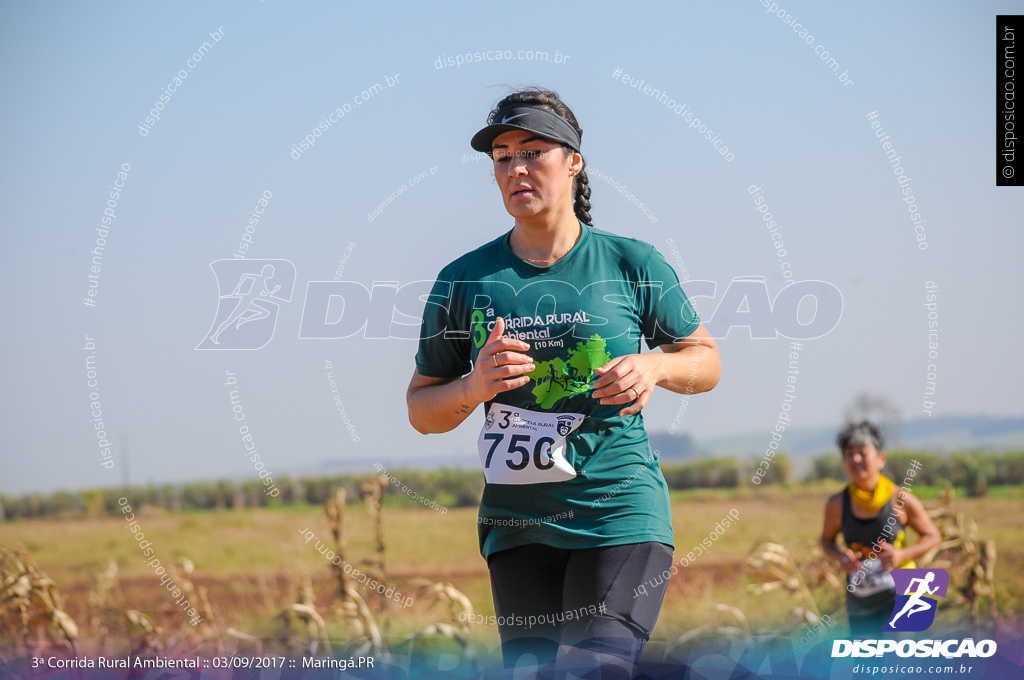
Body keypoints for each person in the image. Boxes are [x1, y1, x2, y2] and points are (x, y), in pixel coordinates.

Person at [406, 88, 721, 677]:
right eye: (502, 156)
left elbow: (706, 359)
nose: (515, 168)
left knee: (592, 667)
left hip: (618, 512)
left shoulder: (631, 262)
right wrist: (473, 387)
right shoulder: (464, 280)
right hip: (518, 528)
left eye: (533, 151)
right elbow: (422, 408)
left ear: (573, 161)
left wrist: (655, 366)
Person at [819, 421, 941, 636]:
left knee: (902, 666)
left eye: (861, 452)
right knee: (866, 668)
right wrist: (841, 556)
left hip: (904, 595)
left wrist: (901, 554)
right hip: (860, 600)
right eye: (848, 454)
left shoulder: (900, 499)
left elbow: (932, 536)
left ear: (881, 459)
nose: (855, 459)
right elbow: (826, 542)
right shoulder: (837, 504)